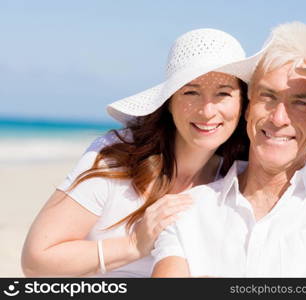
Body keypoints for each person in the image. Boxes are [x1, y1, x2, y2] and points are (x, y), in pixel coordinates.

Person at [21, 28, 271, 277]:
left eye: (223, 93)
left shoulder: (241, 179)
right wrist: (134, 245)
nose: (207, 111)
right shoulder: (116, 158)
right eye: (191, 92)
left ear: (242, 104)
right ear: (169, 103)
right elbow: (36, 262)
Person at [151, 22, 306, 277]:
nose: (278, 118)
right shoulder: (189, 211)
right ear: (247, 110)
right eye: (268, 97)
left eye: (300, 102)